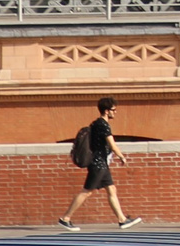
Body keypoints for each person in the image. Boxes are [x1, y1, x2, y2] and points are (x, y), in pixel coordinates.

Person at [59, 96, 141, 230]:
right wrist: (122, 157)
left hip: (101, 164)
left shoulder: (96, 123)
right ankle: (65, 218)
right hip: (98, 165)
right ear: (107, 111)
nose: (115, 112)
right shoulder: (103, 125)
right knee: (87, 191)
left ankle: (122, 219)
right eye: (114, 110)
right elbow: (112, 145)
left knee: (111, 189)